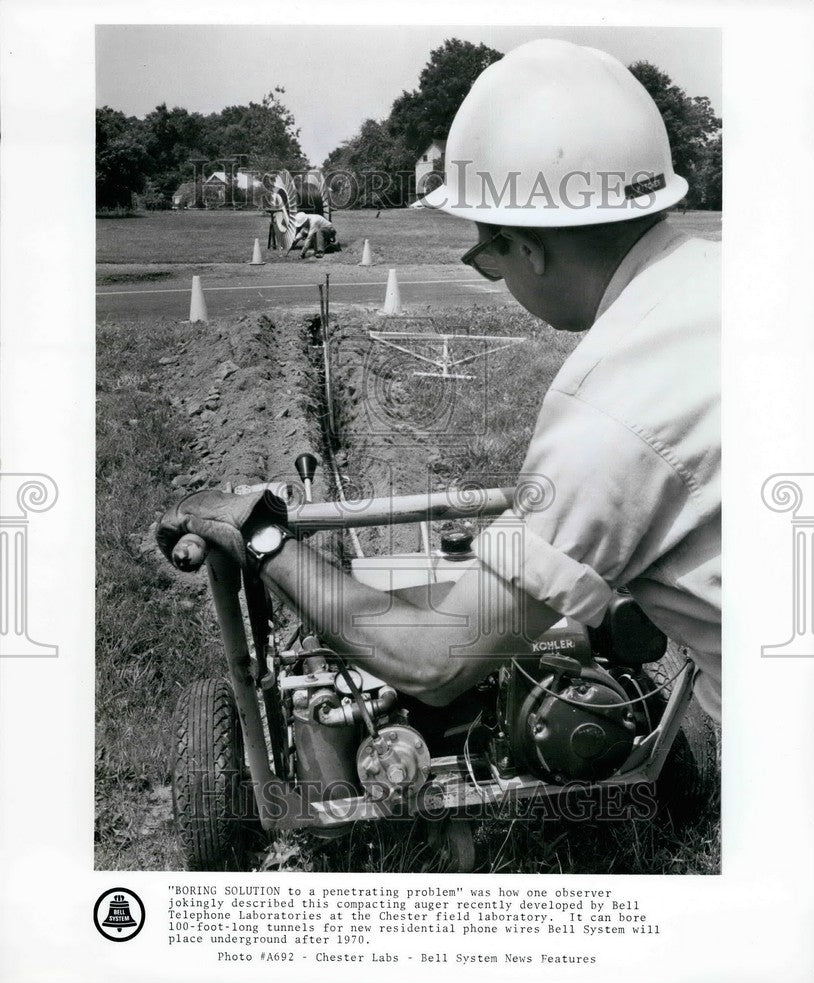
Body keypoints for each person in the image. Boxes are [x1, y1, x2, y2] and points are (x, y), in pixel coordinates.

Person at [156, 39, 721, 721]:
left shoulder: (609, 411)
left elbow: (438, 657)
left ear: (530, 249)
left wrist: (260, 533)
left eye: (487, 256)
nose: (492, 272)